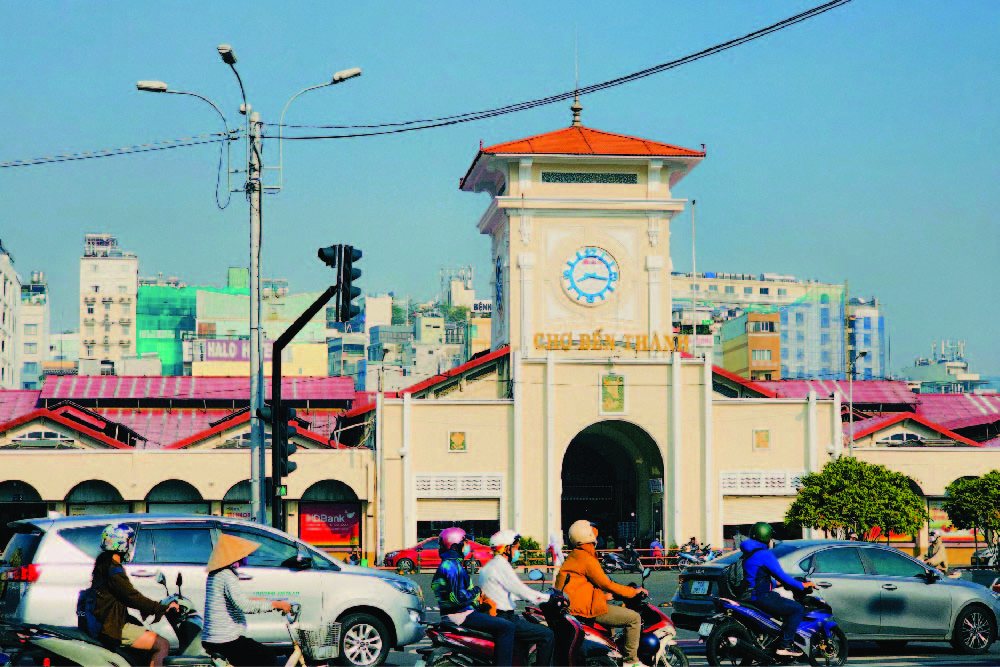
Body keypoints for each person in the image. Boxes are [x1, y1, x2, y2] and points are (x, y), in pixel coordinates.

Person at [556, 520, 647, 667]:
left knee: (612, 611)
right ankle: (630, 660)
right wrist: (632, 592)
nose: (596, 539)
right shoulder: (586, 558)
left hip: (574, 606)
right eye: (594, 535)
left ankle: (613, 654)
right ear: (588, 536)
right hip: (584, 610)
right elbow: (605, 583)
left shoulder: (575, 555)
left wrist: (604, 596)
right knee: (634, 618)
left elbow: (580, 585)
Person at [91, 524, 178, 667]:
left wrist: (148, 608)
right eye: (129, 541)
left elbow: (125, 596)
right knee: (162, 644)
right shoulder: (113, 570)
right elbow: (131, 596)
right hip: (112, 626)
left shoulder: (105, 564)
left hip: (108, 621)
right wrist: (159, 608)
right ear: (120, 543)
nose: (131, 544)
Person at [202, 533, 293, 667]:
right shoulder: (226, 575)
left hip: (214, 638)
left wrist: (267, 600)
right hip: (225, 639)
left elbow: (234, 599)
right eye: (242, 556)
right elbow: (244, 605)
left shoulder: (216, 574)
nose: (244, 559)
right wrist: (274, 605)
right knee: (267, 656)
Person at [431, 527, 515, 666]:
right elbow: (457, 597)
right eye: (464, 542)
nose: (467, 546)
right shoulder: (451, 566)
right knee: (507, 627)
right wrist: (477, 591)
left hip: (457, 613)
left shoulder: (450, 564)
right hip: (460, 615)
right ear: (455, 545)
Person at [480, 530, 555, 666]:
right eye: (515, 547)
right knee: (547, 635)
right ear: (506, 548)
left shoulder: (490, 566)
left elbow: (501, 592)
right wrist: (547, 598)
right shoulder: (501, 566)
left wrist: (521, 597)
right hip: (504, 618)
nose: (517, 551)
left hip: (492, 616)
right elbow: (521, 590)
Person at [742, 522, 815, 658]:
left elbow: (756, 577)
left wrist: (776, 583)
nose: (772, 540)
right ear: (765, 537)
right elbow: (784, 576)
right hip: (761, 597)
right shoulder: (764, 554)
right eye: (770, 537)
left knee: (780, 601)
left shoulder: (748, 553)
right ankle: (785, 645)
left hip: (751, 596)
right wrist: (802, 585)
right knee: (797, 609)